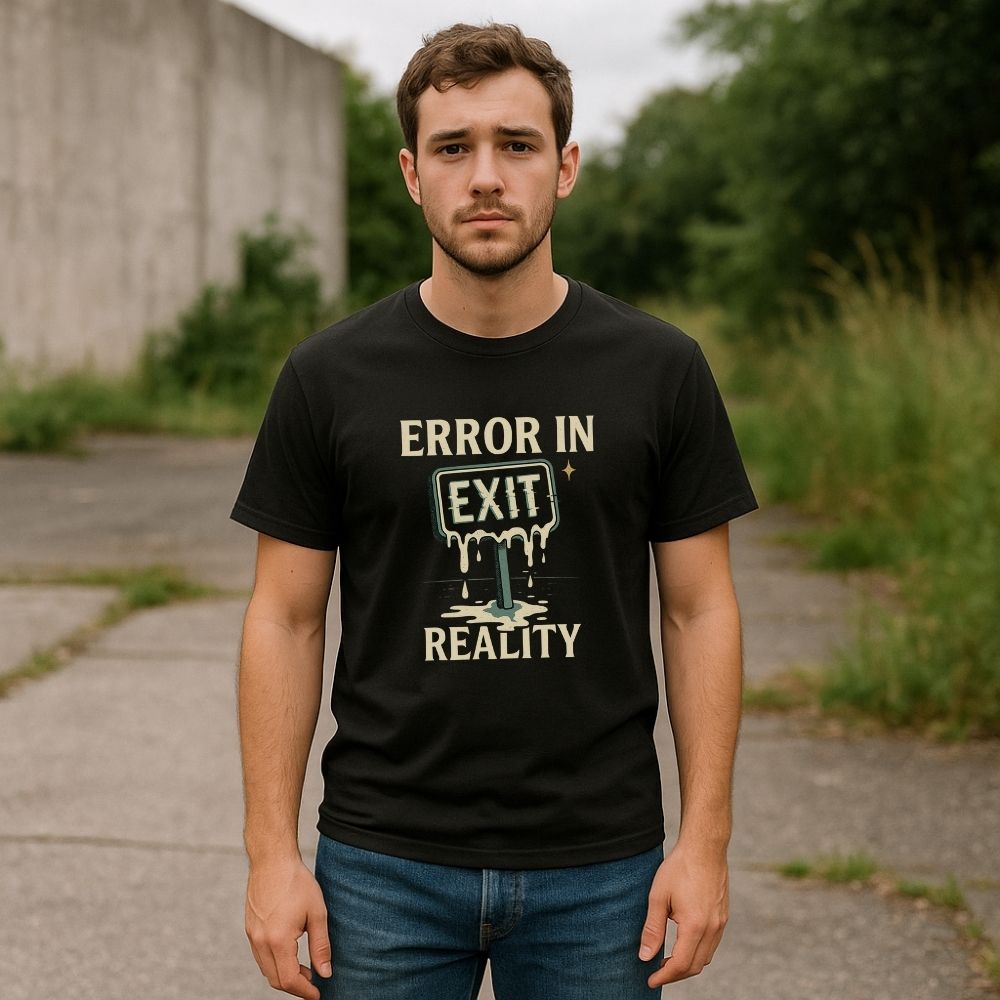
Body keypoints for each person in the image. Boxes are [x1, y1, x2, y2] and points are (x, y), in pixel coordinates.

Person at [232, 21, 757, 1000]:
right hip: (380, 863)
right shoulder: (328, 377)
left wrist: (706, 842)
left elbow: (700, 609)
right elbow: (285, 617)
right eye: (452, 148)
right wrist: (271, 853)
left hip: (603, 866)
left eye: (516, 145)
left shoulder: (659, 370)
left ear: (564, 167)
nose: (484, 177)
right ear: (411, 173)